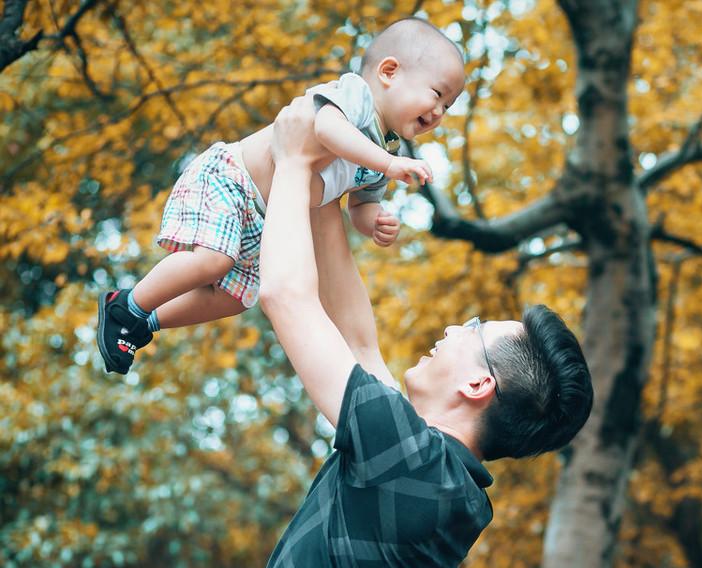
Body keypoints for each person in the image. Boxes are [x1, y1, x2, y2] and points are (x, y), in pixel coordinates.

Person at [177, 96, 593, 568]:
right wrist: (333, 183)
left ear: (477, 385)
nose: (452, 325)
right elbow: (355, 331)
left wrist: (298, 157)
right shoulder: (429, 471)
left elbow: (287, 296)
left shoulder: (409, 460)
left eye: (470, 329)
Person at [97, 17, 465, 375]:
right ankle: (126, 306)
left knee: (236, 298)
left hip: (262, 219)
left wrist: (375, 223)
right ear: (389, 72)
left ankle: (146, 323)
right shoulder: (356, 98)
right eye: (436, 94)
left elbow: (360, 205)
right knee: (213, 262)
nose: (438, 112)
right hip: (234, 179)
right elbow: (325, 127)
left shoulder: (383, 147)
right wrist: (387, 163)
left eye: (447, 106)